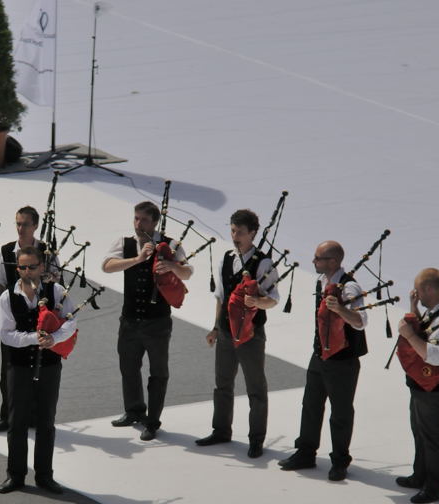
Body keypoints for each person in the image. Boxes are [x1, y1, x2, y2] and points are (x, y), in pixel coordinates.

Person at [101, 201, 192, 441]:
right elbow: (107, 266)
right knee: (128, 367)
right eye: (136, 218)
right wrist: (138, 259)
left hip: (157, 322)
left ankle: (153, 421)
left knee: (158, 372)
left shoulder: (171, 245)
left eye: (143, 219)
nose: (138, 224)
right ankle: (133, 411)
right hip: (130, 319)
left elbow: (188, 272)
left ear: (154, 222)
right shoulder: (126, 243)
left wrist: (171, 266)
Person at [280, 241, 368, 481]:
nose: (313, 261)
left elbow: (361, 322)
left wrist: (341, 309)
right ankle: (306, 451)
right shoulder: (322, 282)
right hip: (319, 354)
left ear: (333, 262)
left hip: (343, 361)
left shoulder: (350, 288)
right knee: (310, 404)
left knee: (340, 412)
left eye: (318, 258)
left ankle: (340, 460)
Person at [195, 209, 279, 458]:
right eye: (232, 230)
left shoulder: (264, 263)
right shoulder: (226, 258)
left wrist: (257, 303)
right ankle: (221, 430)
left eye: (240, 232)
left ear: (253, 233)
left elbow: (273, 299)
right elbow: (220, 296)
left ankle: (256, 439)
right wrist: (215, 327)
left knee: (255, 387)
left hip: (251, 334)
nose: (235, 236)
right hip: (225, 332)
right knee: (222, 383)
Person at [0, 246, 76, 494]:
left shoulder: (57, 291)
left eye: (32, 266)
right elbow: (7, 335)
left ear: (41, 267)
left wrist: (55, 338)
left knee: (46, 421)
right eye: (22, 267)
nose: (27, 271)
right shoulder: (7, 297)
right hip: (19, 367)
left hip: (50, 366)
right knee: (16, 422)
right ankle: (16, 475)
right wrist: (34, 338)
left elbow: (71, 322)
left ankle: (44, 475)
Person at [0, 205, 59, 432]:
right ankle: (8, 414)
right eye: (18, 223)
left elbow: (58, 282)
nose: (20, 228)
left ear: (35, 226)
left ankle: (36, 416)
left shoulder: (47, 251)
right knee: (8, 368)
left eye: (25, 224)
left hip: (40, 315)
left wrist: (49, 278)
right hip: (13, 312)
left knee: (39, 367)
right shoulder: (7, 250)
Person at [395, 268, 439, 504]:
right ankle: (420, 475)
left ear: (430, 289)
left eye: (419, 290)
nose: (416, 293)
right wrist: (414, 310)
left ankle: (435, 487)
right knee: (420, 431)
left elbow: (435, 356)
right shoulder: (433, 312)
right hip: (422, 385)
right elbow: (425, 332)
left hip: (436, 388)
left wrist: (409, 336)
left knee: (434, 437)